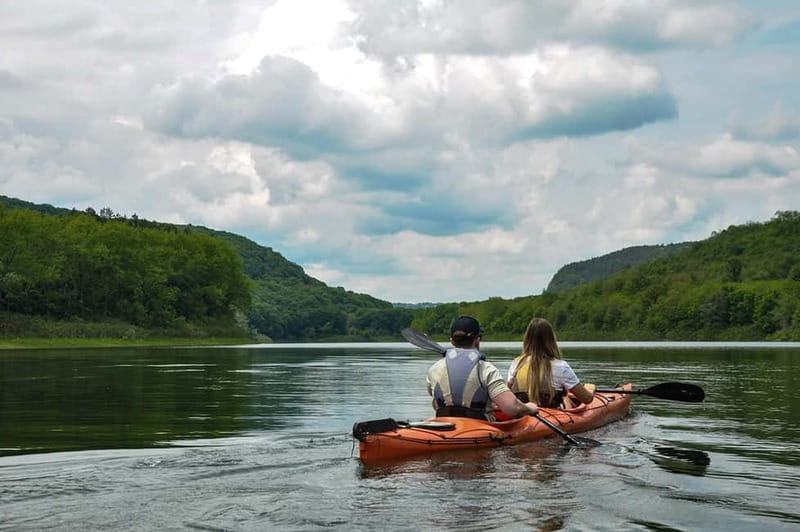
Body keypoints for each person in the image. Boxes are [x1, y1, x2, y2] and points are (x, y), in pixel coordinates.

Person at [426, 315, 539, 421]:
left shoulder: (434, 369)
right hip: (478, 426)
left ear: (452, 341)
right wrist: (530, 408)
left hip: (444, 424)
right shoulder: (486, 369)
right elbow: (513, 409)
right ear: (478, 340)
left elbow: (436, 398)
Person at [507, 317, 595, 409]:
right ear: (551, 340)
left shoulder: (516, 363)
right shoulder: (561, 366)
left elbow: (507, 393)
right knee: (566, 398)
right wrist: (590, 388)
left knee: (566, 398)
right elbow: (587, 399)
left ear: (527, 339)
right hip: (551, 414)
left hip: (524, 414)